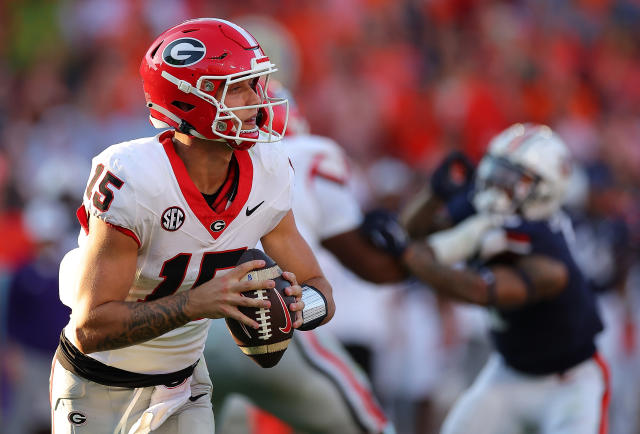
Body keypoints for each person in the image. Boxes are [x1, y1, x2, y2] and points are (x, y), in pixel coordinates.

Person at [51, 18, 335, 434]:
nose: (257, 101)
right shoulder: (134, 177)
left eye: (256, 85)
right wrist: (194, 304)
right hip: (97, 385)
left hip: (184, 386)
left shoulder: (270, 169)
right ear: (188, 102)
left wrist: (298, 307)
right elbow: (91, 326)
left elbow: (320, 288)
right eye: (237, 87)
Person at [204, 82, 399, 434]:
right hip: (267, 318)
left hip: (187, 336)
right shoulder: (302, 155)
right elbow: (362, 267)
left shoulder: (156, 167)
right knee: (369, 427)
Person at [400, 123, 609, 434]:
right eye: (496, 169)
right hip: (509, 371)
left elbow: (480, 290)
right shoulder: (488, 207)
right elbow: (413, 232)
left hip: (568, 382)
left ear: (545, 189)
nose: (497, 182)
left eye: (512, 177)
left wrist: (415, 260)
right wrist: (433, 195)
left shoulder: (549, 252)